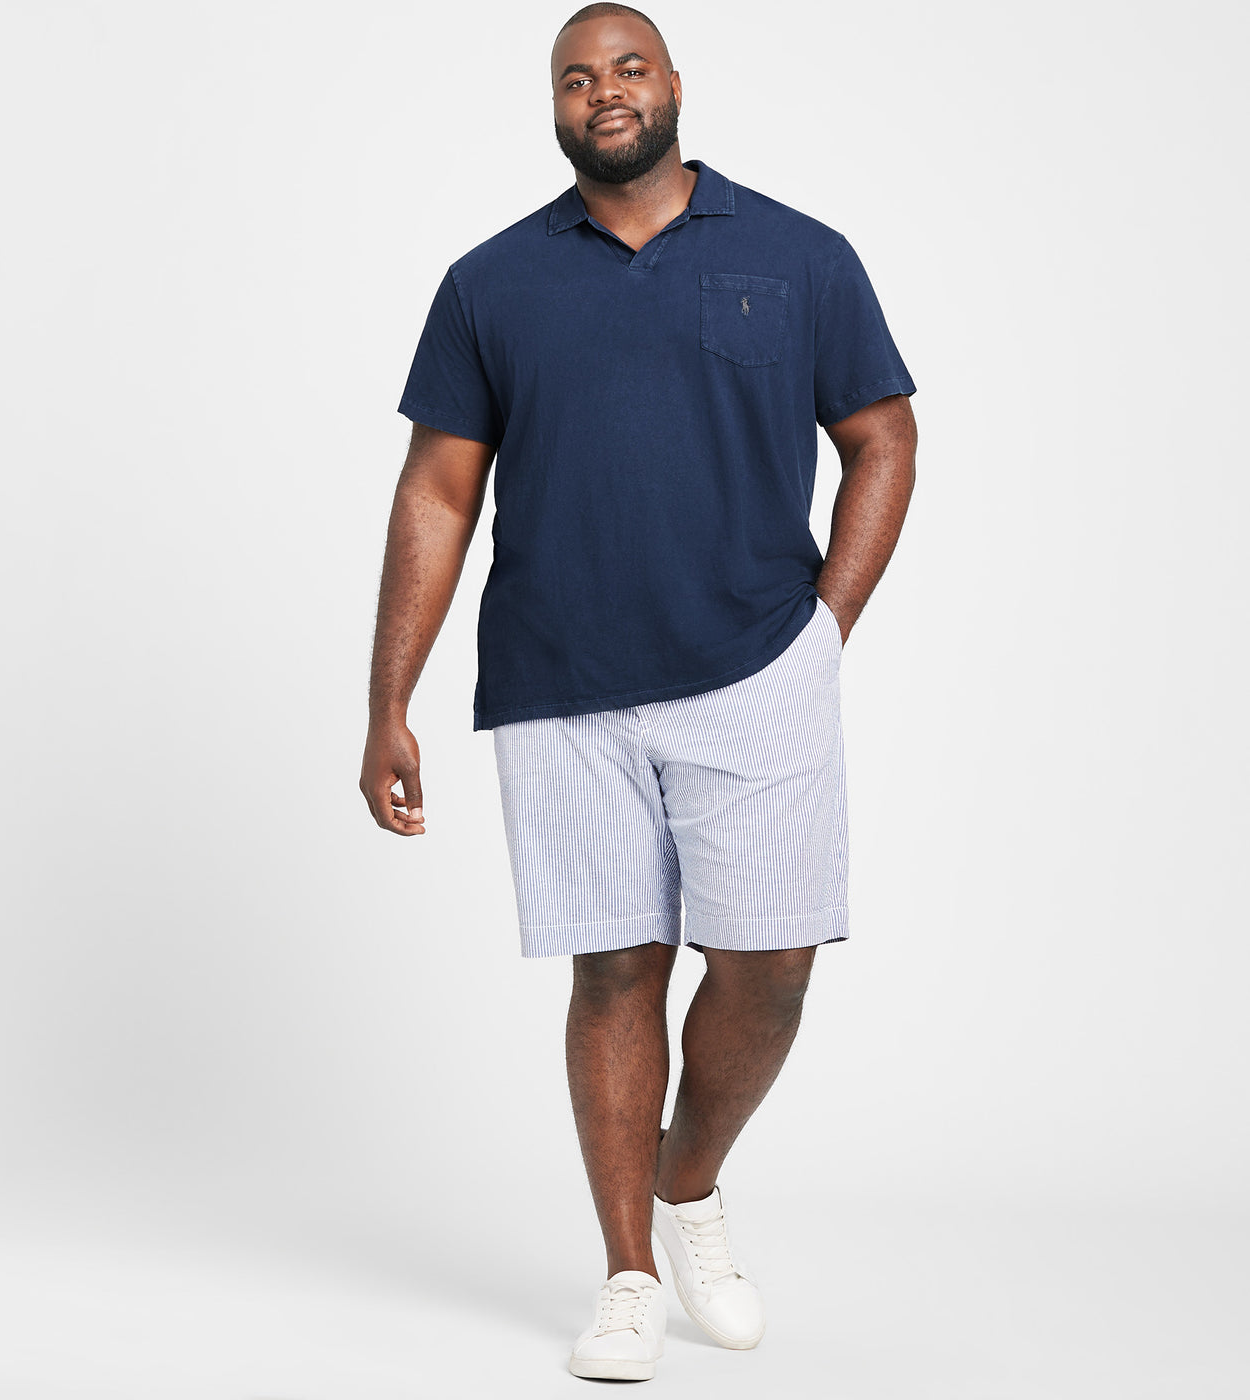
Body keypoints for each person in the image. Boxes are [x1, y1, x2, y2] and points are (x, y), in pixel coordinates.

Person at [359, 2, 918, 1383]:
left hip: (756, 665)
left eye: (626, 68)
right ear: (554, 108)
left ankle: (687, 1186)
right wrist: (389, 701)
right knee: (614, 969)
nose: (603, 92)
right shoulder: (491, 283)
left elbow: (883, 437)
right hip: (561, 683)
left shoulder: (798, 255)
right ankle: (625, 1275)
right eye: (575, 77)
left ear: (673, 84)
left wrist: (826, 630)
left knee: (771, 969)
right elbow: (437, 493)